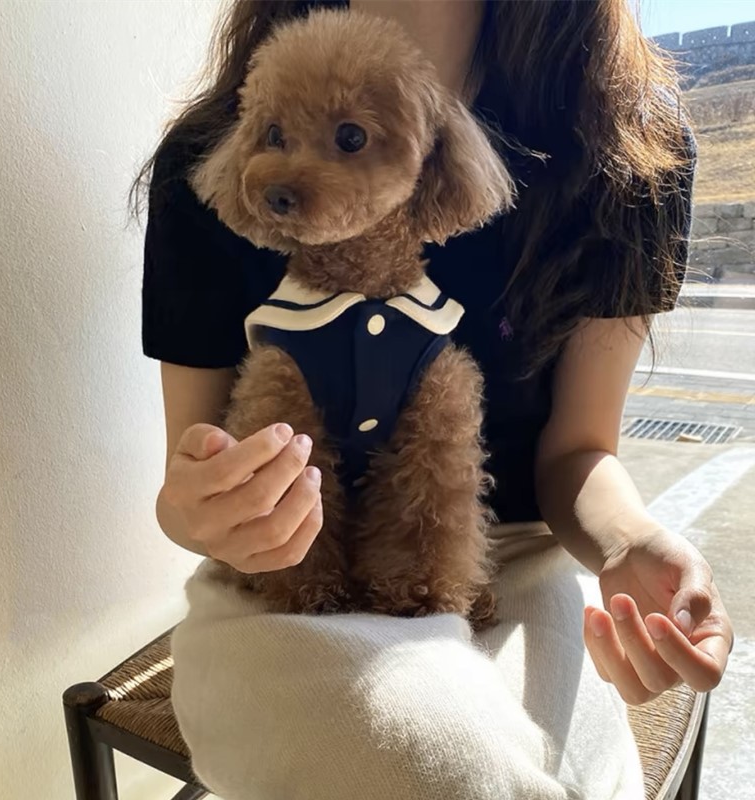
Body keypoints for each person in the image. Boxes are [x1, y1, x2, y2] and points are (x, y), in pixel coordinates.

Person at [137, 1, 734, 798]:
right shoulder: (202, 157)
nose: (289, 169)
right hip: (272, 583)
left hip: (504, 558)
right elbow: (190, 487)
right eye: (276, 138)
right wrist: (208, 511)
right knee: (439, 772)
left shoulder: (626, 149)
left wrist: (629, 542)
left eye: (351, 139)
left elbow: (578, 452)